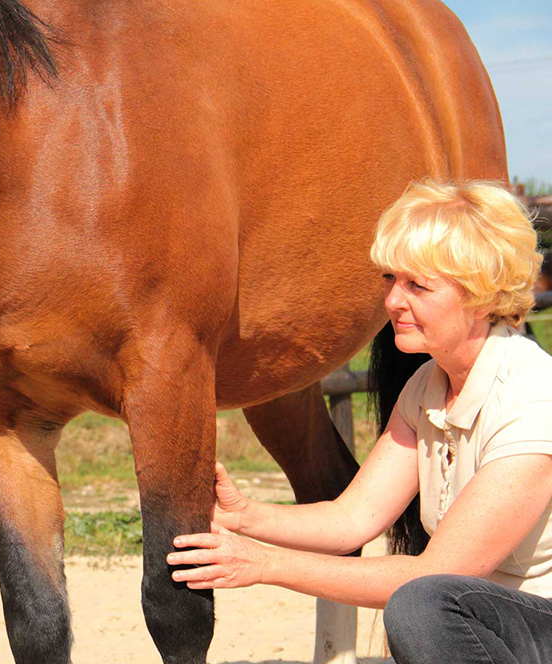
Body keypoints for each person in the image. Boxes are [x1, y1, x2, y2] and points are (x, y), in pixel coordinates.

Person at [167, 180, 552, 663]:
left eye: (418, 285)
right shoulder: (427, 385)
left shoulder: (533, 400)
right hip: (491, 626)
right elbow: (352, 519)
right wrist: (244, 516)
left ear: (482, 297)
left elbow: (438, 573)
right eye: (390, 279)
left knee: (419, 606)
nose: (393, 301)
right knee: (422, 609)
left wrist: (261, 563)